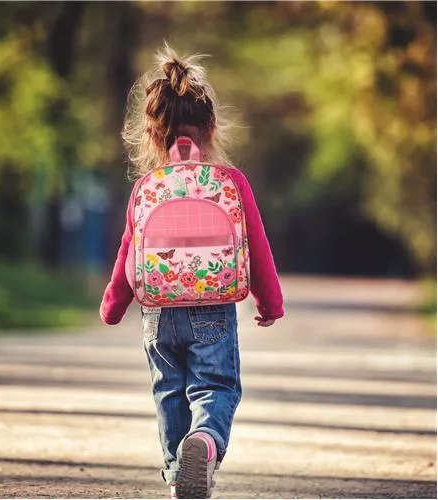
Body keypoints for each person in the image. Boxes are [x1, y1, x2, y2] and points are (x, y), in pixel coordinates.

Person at [100, 45, 284, 499]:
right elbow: (255, 245)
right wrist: (269, 300)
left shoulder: (148, 187)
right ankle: (204, 442)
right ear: (211, 128)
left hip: (158, 312)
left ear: (152, 134)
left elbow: (130, 249)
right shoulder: (231, 182)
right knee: (215, 385)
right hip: (213, 307)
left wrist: (113, 304)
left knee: (169, 393)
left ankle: (176, 472)